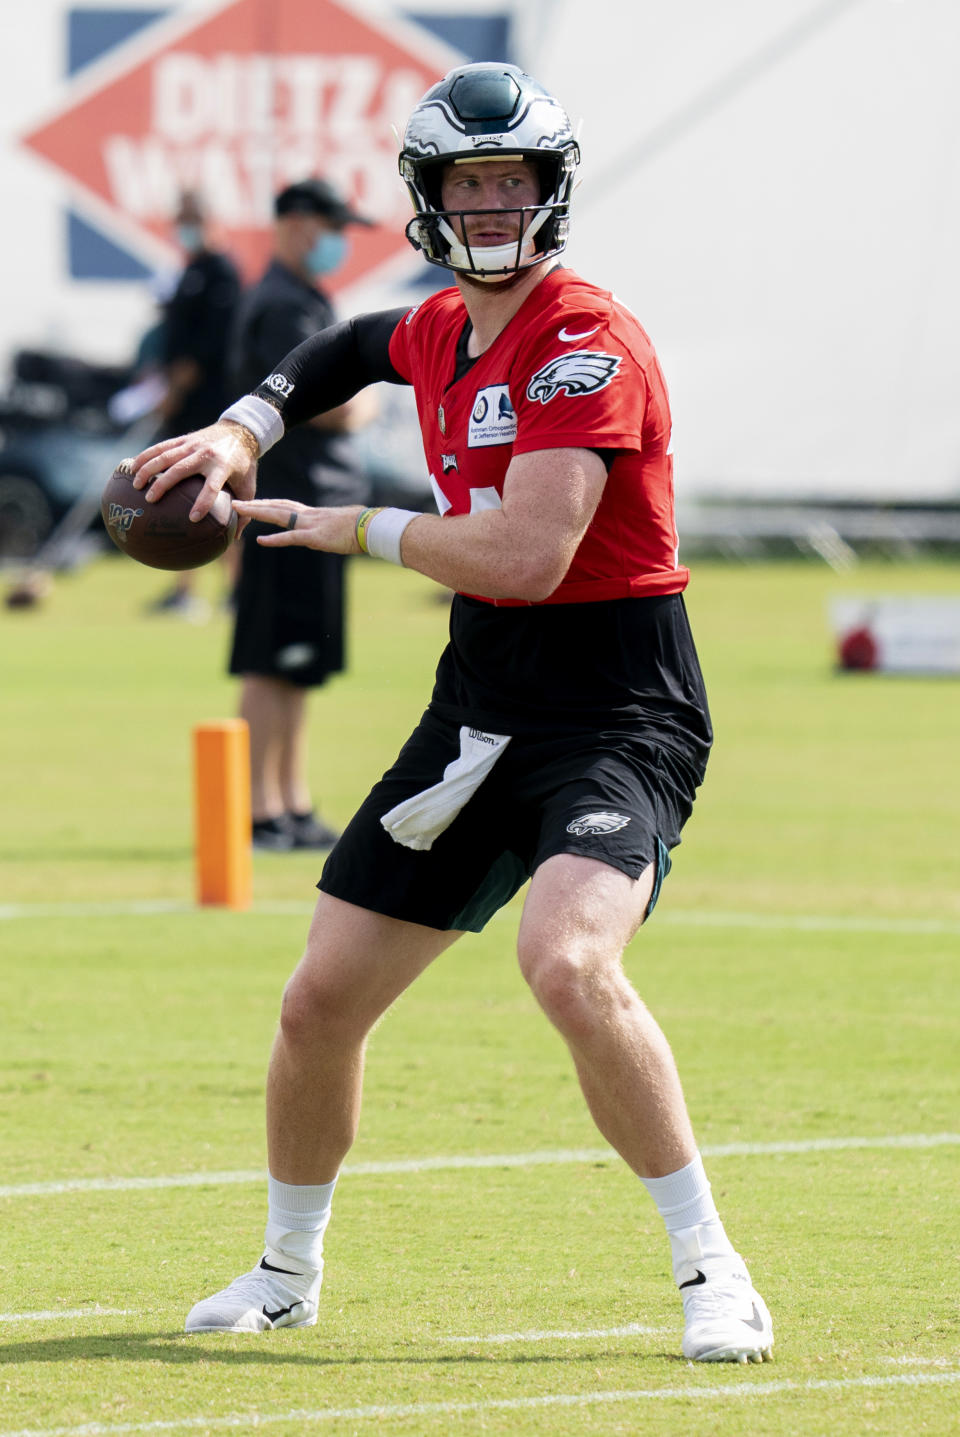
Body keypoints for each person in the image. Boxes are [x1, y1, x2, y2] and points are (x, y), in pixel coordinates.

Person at [131, 63, 774, 1364]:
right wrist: (239, 429)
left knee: (570, 961)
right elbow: (347, 346)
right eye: (470, 182)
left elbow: (531, 554)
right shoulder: (439, 327)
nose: (493, 204)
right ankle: (284, 1268)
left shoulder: (584, 339)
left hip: (614, 705)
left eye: (514, 181)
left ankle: (715, 1267)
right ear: (430, 198)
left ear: (550, 193)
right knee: (319, 1002)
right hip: (481, 701)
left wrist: (355, 526)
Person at [228, 178, 376, 851]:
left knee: (299, 667)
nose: (337, 240)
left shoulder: (304, 299)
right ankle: (259, 809)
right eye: (329, 224)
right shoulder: (284, 305)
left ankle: (290, 801)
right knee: (270, 662)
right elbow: (337, 405)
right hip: (284, 506)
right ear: (293, 224)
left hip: (312, 511)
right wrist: (370, 400)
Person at [145, 190, 241, 617]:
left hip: (212, 405)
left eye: (190, 217)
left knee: (221, 497)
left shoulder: (222, 272)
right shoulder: (189, 270)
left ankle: (235, 590)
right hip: (181, 405)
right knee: (177, 497)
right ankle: (183, 588)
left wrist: (180, 381)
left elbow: (213, 342)